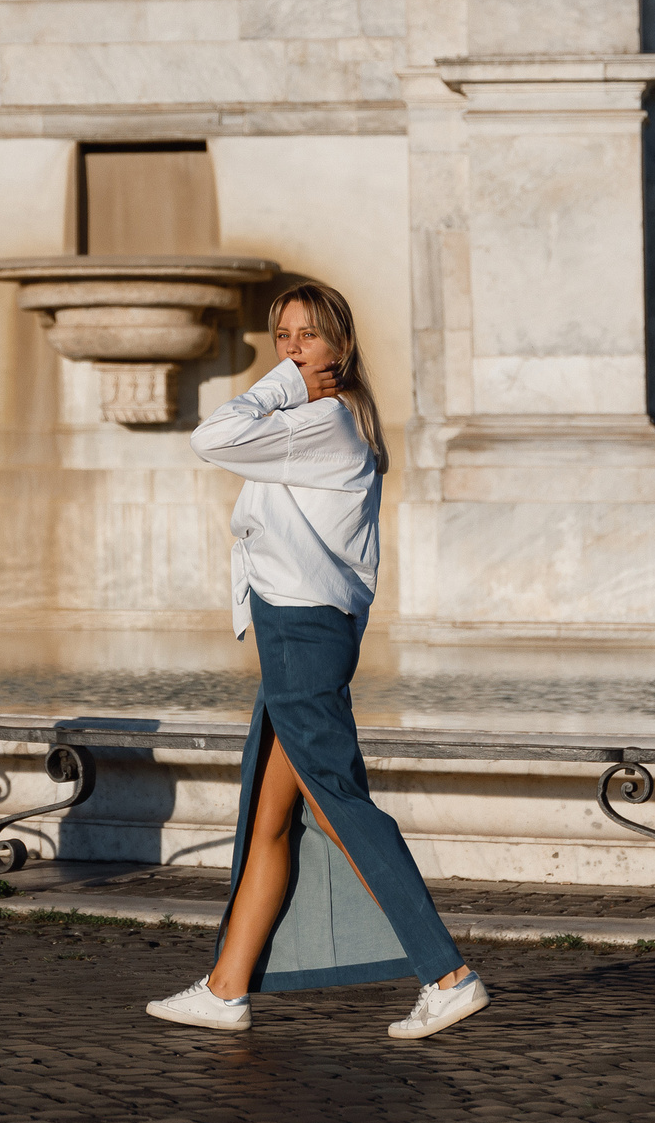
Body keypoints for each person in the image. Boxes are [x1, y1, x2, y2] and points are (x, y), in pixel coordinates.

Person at [144, 282, 488, 1041]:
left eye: (308, 335)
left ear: (341, 348)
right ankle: (227, 986)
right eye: (282, 335)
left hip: (301, 631)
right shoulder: (319, 421)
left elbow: (211, 436)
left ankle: (446, 972)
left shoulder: (321, 419)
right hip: (296, 629)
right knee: (271, 817)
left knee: (338, 804)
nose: (293, 346)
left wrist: (280, 385)